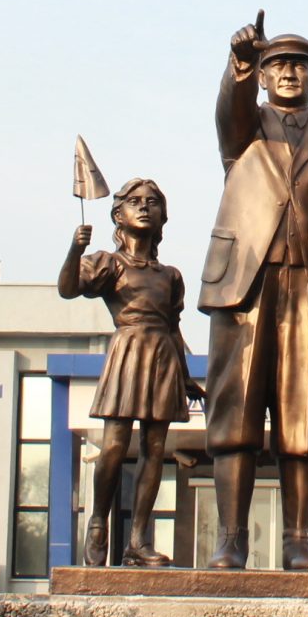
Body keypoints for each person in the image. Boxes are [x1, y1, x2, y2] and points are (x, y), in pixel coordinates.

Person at [198, 18, 308, 570]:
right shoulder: (246, 125)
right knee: (236, 414)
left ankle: (299, 539)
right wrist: (241, 64)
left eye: (301, 65)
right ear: (264, 76)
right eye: (278, 65)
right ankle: (231, 539)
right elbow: (231, 104)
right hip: (245, 285)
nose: (290, 72)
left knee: (304, 416)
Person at [58, 178, 198, 567]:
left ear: (163, 216)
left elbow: (173, 326)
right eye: (135, 201)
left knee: (155, 449)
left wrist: (185, 375)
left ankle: (138, 539)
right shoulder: (109, 263)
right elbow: (68, 289)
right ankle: (98, 524)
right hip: (128, 351)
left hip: (163, 356)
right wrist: (75, 250)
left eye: (153, 202)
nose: (144, 207)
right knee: (115, 446)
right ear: (118, 215)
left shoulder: (170, 275)